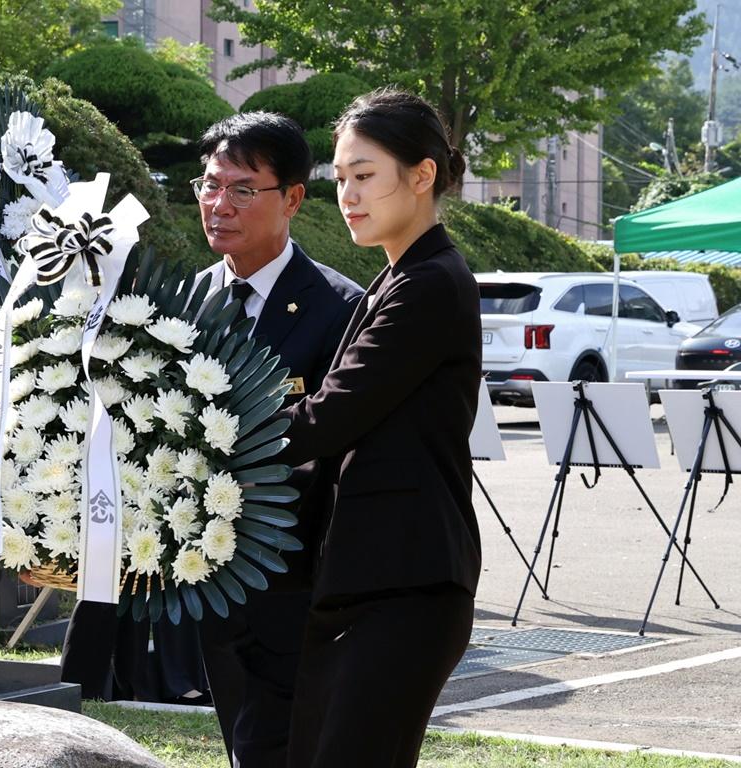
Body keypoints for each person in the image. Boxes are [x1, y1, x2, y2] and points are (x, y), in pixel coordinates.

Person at [277, 89, 482, 767]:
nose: (348, 195)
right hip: (365, 579)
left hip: (407, 583)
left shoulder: (430, 284)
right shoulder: (397, 280)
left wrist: (202, 435)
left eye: (364, 175)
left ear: (422, 176)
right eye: (340, 179)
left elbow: (331, 416)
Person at [189, 112, 363, 768]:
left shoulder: (339, 308)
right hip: (207, 584)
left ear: (292, 198)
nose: (218, 204)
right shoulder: (190, 302)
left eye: (241, 189)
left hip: (295, 590)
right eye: (208, 186)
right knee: (242, 742)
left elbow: (335, 451)